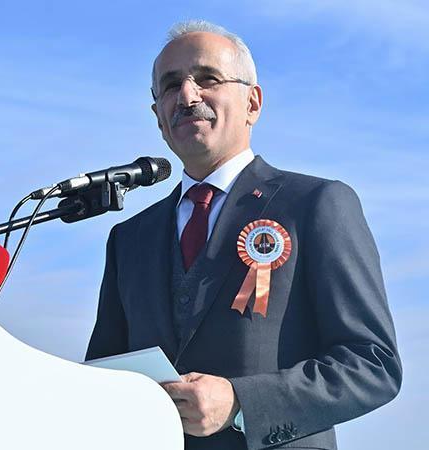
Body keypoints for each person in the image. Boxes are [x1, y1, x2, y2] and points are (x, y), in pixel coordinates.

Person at [85, 20, 401, 450]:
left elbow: (373, 365)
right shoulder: (129, 238)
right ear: (158, 116)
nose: (187, 96)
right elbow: (105, 374)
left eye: (208, 79)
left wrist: (240, 402)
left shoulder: (316, 204)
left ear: (252, 103)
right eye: (171, 85)